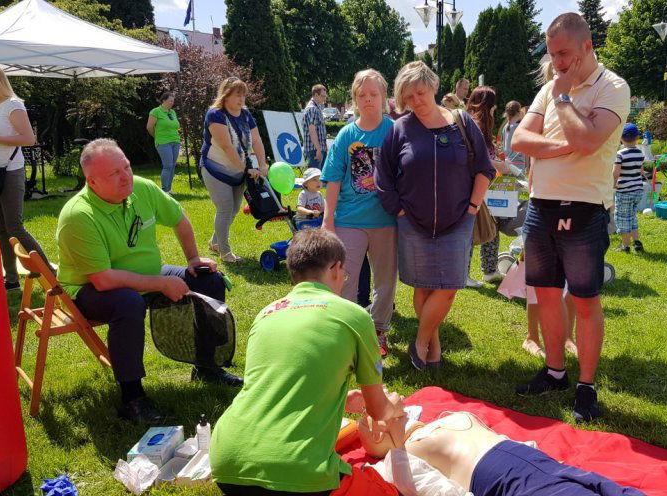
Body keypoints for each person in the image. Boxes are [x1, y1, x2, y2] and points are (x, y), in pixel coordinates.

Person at [55, 139, 242, 424]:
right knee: (128, 303)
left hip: (147, 275)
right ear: (92, 182)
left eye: (126, 167)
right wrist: (159, 283)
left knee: (209, 279)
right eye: (114, 174)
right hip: (87, 290)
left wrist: (193, 259)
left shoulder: (141, 188)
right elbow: (104, 280)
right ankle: (132, 398)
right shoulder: (78, 216)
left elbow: (179, 218)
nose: (125, 176)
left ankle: (206, 366)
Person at [209, 228, 406, 495]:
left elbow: (271, 384)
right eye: (344, 275)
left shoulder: (266, 313)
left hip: (228, 461)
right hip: (297, 472)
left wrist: (340, 397)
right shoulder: (354, 316)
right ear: (336, 268)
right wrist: (393, 407)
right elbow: (378, 411)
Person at [509, 13, 630, 422]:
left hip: (585, 209)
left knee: (585, 301)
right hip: (542, 206)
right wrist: (565, 146)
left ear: (587, 46)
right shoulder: (548, 88)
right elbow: (522, 141)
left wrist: (563, 100)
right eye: (552, 53)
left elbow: (589, 139)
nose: (557, 61)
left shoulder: (612, 87)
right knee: (545, 295)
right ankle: (556, 371)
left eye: (564, 53)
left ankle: (587, 386)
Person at [376, 61, 495, 370]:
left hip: (458, 220)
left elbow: (485, 167)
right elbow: (383, 175)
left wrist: (472, 207)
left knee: (449, 285)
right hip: (413, 222)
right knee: (423, 285)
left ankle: (420, 340)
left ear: (433, 86)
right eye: (408, 97)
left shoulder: (462, 122)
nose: (416, 101)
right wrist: (399, 209)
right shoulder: (400, 128)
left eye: (420, 92)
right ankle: (435, 344)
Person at [359, 412, 646, 496]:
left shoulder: (445, 417)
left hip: (540, 465)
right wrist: (396, 446)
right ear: (378, 434)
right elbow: (421, 489)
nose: (383, 391)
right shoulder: (404, 456)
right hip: (508, 483)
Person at [322, 69, 398, 357]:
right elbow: (333, 177)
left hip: (385, 221)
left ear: (384, 97)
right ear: (354, 98)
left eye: (373, 94)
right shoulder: (346, 134)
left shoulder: (394, 131)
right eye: (362, 95)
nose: (368, 100)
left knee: (385, 281)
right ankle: (350, 330)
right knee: (345, 278)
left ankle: (378, 331)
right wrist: (328, 218)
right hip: (349, 220)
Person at [0, 63, 50, 291]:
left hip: (11, 170)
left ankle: (50, 272)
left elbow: (28, 138)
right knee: (2, 230)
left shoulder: (13, 105)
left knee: (14, 226)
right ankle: (11, 280)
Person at [200, 77, 267, 263]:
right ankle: (226, 253)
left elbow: (256, 140)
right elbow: (227, 147)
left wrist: (262, 164)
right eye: (237, 95)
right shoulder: (215, 115)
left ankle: (215, 242)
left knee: (235, 209)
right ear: (226, 95)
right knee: (225, 208)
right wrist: (247, 169)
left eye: (243, 95)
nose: (241, 99)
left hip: (238, 171)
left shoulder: (246, 114)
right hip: (215, 169)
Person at [466, 86, 511, 284]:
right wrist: (498, 164)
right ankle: (465, 274)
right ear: (488, 105)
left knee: (490, 227)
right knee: (472, 229)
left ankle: (489, 269)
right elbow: (475, 157)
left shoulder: (477, 124)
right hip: (476, 185)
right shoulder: (475, 125)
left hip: (486, 185)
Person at [613, 123, 645, 253]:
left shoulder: (620, 154)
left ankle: (625, 246)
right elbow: (641, 171)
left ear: (621, 138)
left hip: (624, 191)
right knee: (632, 216)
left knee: (622, 218)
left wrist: (613, 184)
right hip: (637, 190)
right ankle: (637, 241)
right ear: (637, 137)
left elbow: (616, 172)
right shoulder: (640, 153)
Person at [146, 91, 182, 193]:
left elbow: (176, 126)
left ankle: (169, 189)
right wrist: (157, 137)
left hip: (175, 141)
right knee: (168, 166)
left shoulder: (172, 112)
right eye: (170, 101)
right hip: (163, 142)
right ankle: (164, 190)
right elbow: (149, 127)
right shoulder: (155, 111)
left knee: (173, 165)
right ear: (163, 100)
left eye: (173, 101)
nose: (172, 103)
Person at [304, 84, 330, 169]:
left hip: (318, 149)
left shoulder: (316, 108)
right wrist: (318, 149)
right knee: (315, 178)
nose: (324, 98)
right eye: (322, 96)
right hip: (314, 149)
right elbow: (312, 130)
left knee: (320, 178)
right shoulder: (312, 109)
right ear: (315, 95)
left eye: (325, 96)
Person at [500, 100, 527, 177]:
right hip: (518, 163)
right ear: (518, 112)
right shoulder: (519, 127)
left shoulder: (505, 127)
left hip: (507, 163)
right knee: (520, 188)